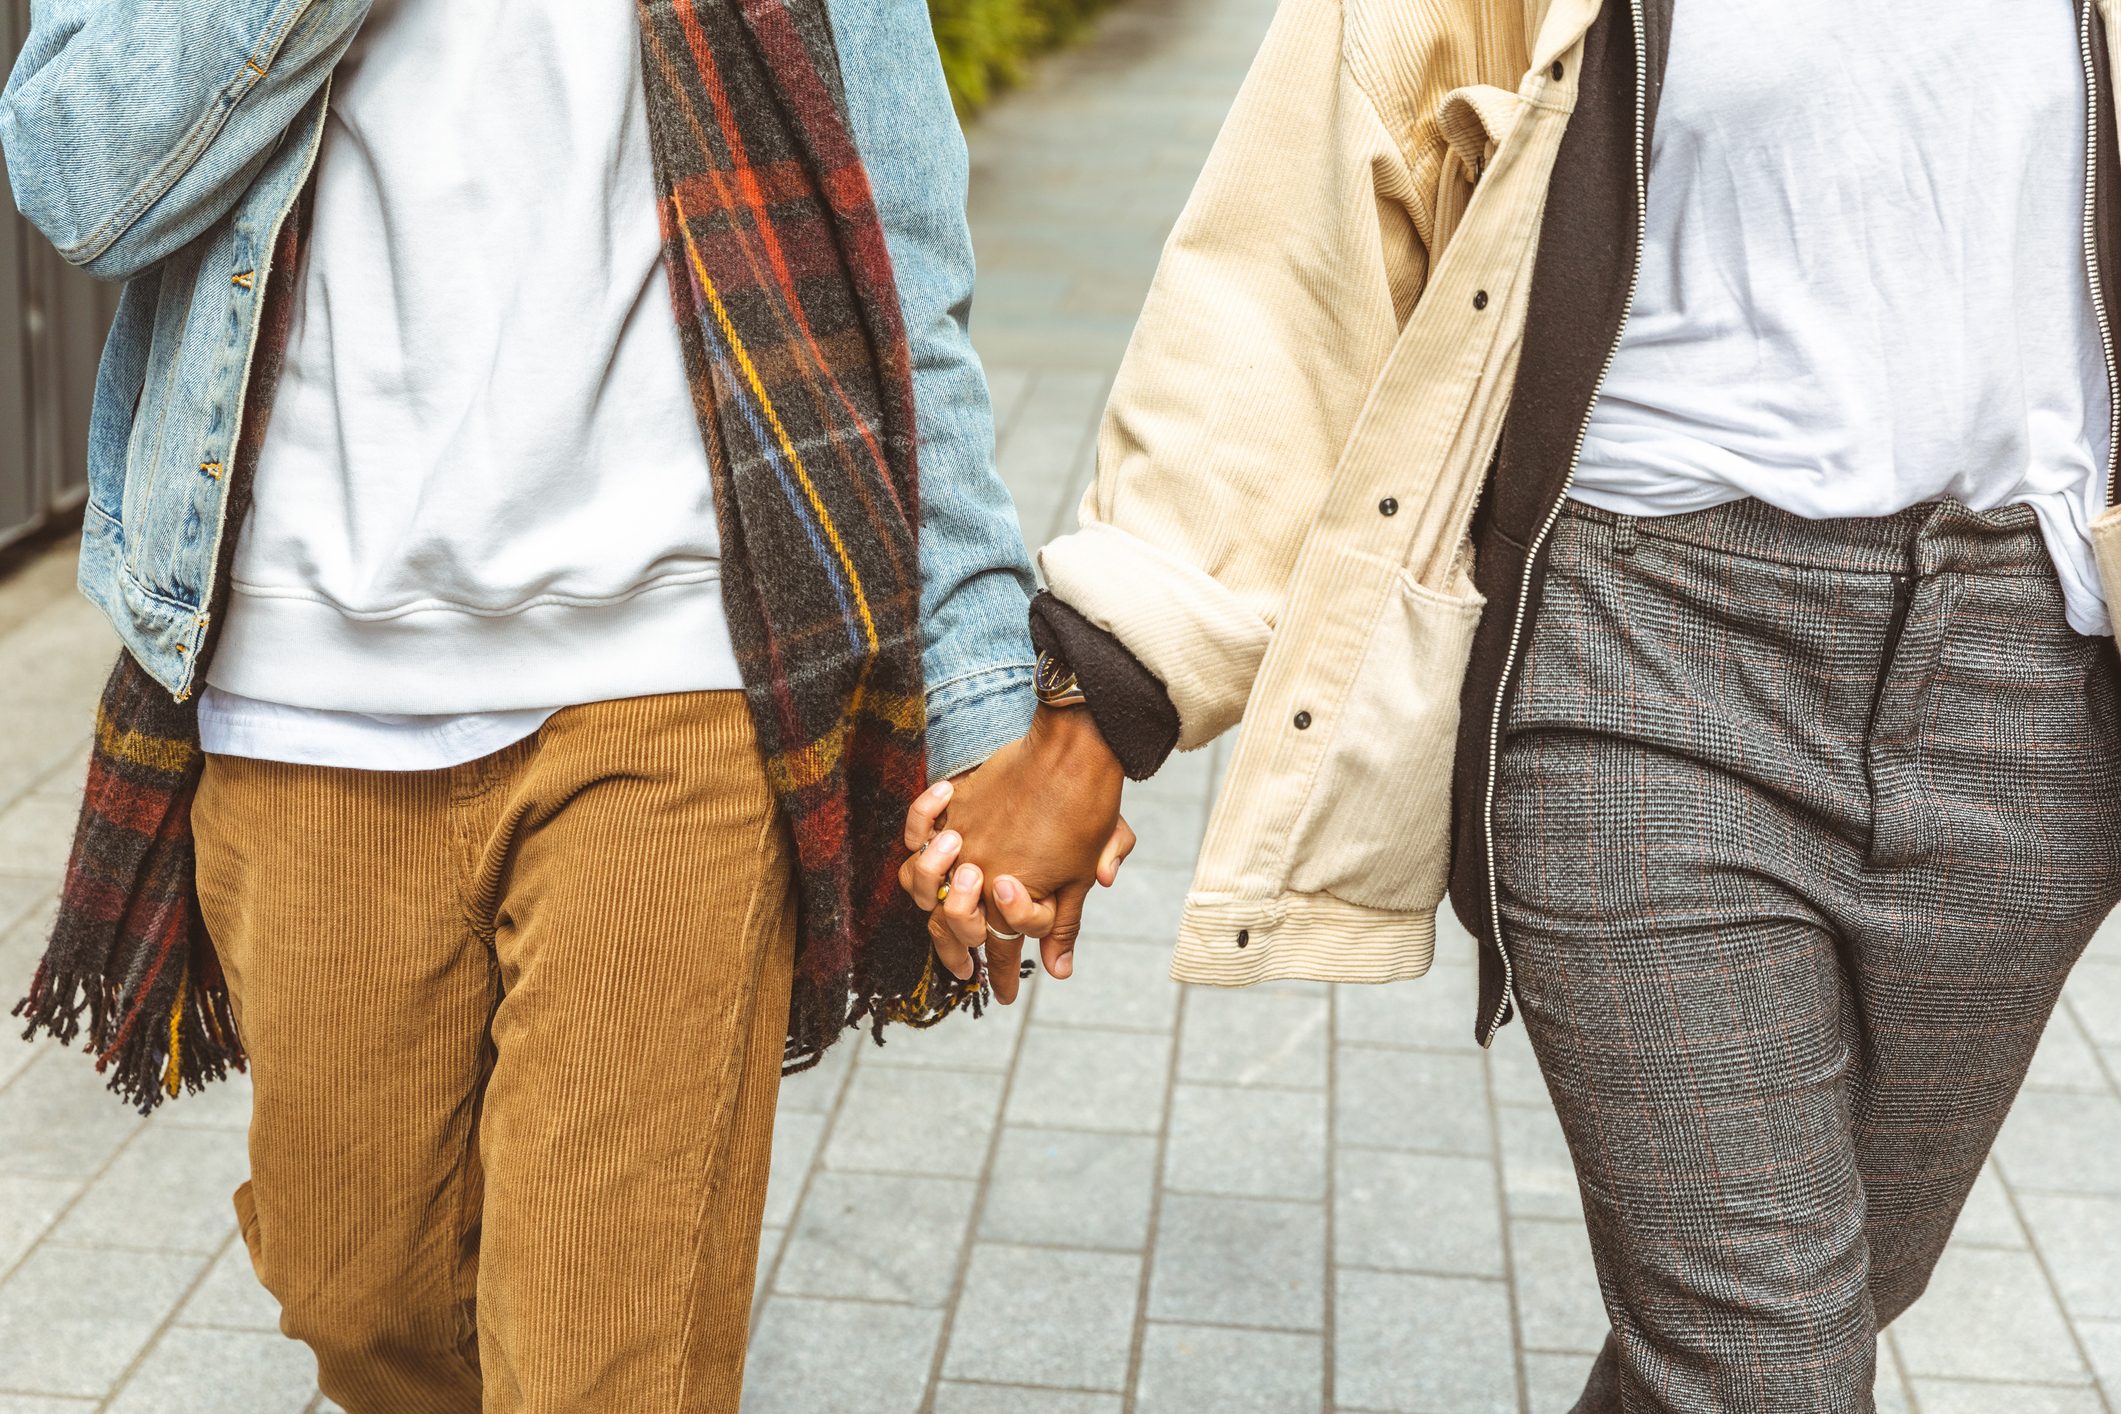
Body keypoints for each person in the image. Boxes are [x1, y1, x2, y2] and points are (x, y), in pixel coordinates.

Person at [907, 1, 2121, 1410]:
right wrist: (1101, 694)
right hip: (1646, 656)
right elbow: (1298, 251)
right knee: (1765, 1354)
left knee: (1813, 1298)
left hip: (2028, 679)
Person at [2, 1, 1039, 1409]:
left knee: (608, 1361)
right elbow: (75, 178)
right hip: (302, 671)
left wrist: (982, 698)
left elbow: (899, 258)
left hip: (673, 662)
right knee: (360, 1298)